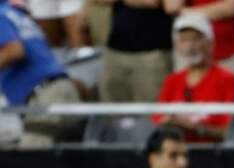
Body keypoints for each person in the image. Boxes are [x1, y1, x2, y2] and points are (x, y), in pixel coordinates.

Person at [0, 0, 81, 146]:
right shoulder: (12, 13)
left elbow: (14, 50)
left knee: (32, 160)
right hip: (57, 91)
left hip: (46, 98)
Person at [154, 11, 234, 142]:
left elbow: (230, 131)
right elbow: (158, 121)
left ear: (210, 42)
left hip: (213, 155)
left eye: (196, 38)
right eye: (183, 39)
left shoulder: (227, 79)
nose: (189, 46)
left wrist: (194, 127)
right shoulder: (172, 81)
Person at [98, 0, 180, 102]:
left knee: (152, 112)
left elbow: (155, 2)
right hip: (114, 52)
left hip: (152, 53)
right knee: (113, 112)